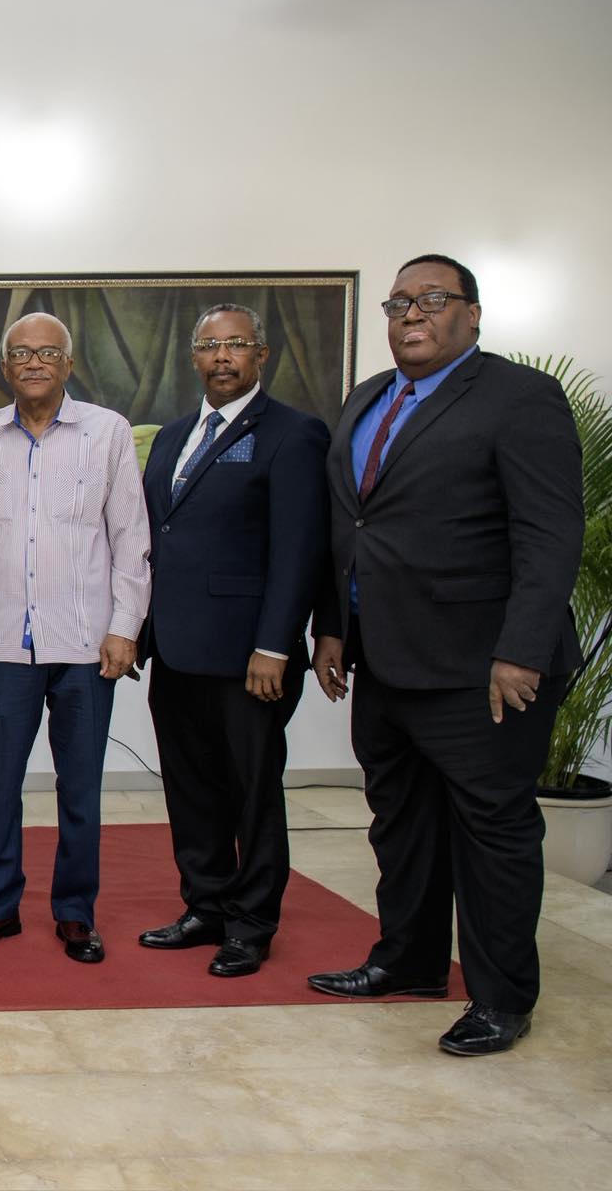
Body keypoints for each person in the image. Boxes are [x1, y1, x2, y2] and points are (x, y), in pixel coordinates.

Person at [308, 254, 582, 1056]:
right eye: (399, 302)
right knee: (403, 823)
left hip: (481, 667)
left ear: (473, 313)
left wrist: (521, 651)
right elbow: (349, 529)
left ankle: (501, 997)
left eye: (431, 299)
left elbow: (549, 532)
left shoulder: (517, 397)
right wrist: (333, 628)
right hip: (384, 661)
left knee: (492, 832)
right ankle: (410, 961)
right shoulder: (368, 398)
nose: (411, 314)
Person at [0, 311, 150, 965]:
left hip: (88, 647)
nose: (33, 363)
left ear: (68, 364)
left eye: (47, 353)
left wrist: (124, 628)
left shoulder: (106, 434)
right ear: (5, 368)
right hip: (1, 644)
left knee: (80, 788)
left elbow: (130, 541)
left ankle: (75, 913)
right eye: (21, 353)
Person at [137, 304, 329, 977]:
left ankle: (252, 924)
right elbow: (159, 538)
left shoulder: (293, 434)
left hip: (250, 656)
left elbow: (300, 548)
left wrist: (276, 645)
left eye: (236, 345)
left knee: (251, 792)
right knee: (190, 788)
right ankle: (206, 905)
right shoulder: (172, 437)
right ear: (193, 357)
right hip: (177, 648)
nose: (222, 357)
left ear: (261, 355)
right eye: (210, 346)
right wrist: (140, 631)